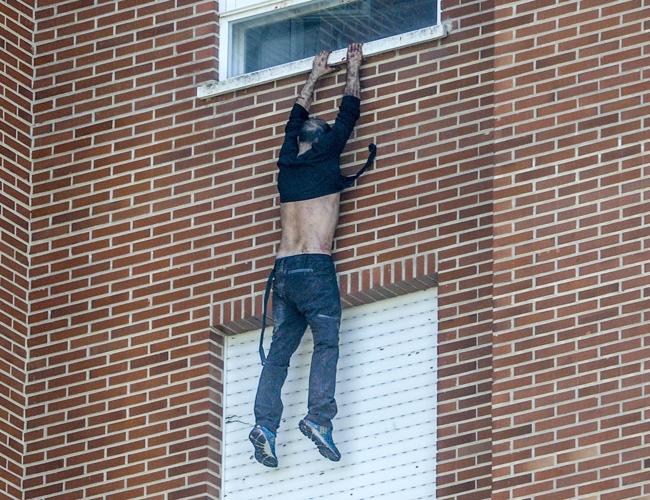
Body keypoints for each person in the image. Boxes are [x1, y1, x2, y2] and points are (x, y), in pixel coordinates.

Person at [248, 43, 377, 468]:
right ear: (324, 142)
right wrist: (353, 66)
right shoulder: (327, 157)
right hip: (315, 268)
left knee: (280, 354)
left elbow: (293, 119)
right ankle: (319, 418)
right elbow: (350, 110)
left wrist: (314, 74)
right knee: (326, 343)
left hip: (282, 271)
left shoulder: (287, 164)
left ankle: (265, 426)